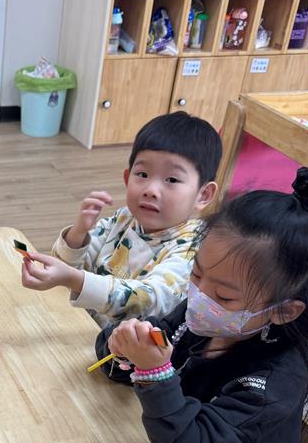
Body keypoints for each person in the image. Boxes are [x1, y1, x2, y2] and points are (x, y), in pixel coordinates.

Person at [95, 168, 308, 443]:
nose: (199, 297)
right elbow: (124, 367)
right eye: (196, 275)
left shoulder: (274, 386)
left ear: (284, 311)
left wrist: (155, 374)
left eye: (224, 296)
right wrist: (122, 344)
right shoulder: (204, 318)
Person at [21, 111, 221, 327]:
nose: (151, 190)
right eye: (143, 174)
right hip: (84, 326)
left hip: (125, 346)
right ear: (127, 177)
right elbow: (66, 267)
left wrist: (72, 278)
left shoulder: (194, 249)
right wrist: (78, 232)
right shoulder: (125, 218)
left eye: (172, 179)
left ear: (203, 195)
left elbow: (149, 300)